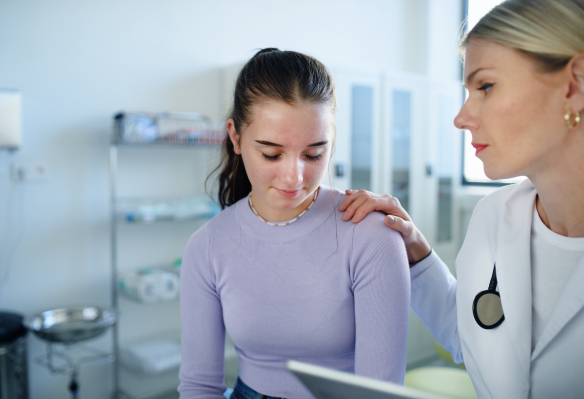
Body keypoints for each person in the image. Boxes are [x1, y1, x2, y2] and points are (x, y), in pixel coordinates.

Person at [340, 1, 584, 398]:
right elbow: (473, 334)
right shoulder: (494, 215)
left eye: (485, 86)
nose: (461, 117)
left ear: (574, 85)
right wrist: (416, 252)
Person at [178, 48, 410, 399]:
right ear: (236, 137)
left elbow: (378, 392)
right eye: (271, 153)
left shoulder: (371, 235)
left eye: (313, 154)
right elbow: (199, 386)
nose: (294, 177)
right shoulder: (208, 245)